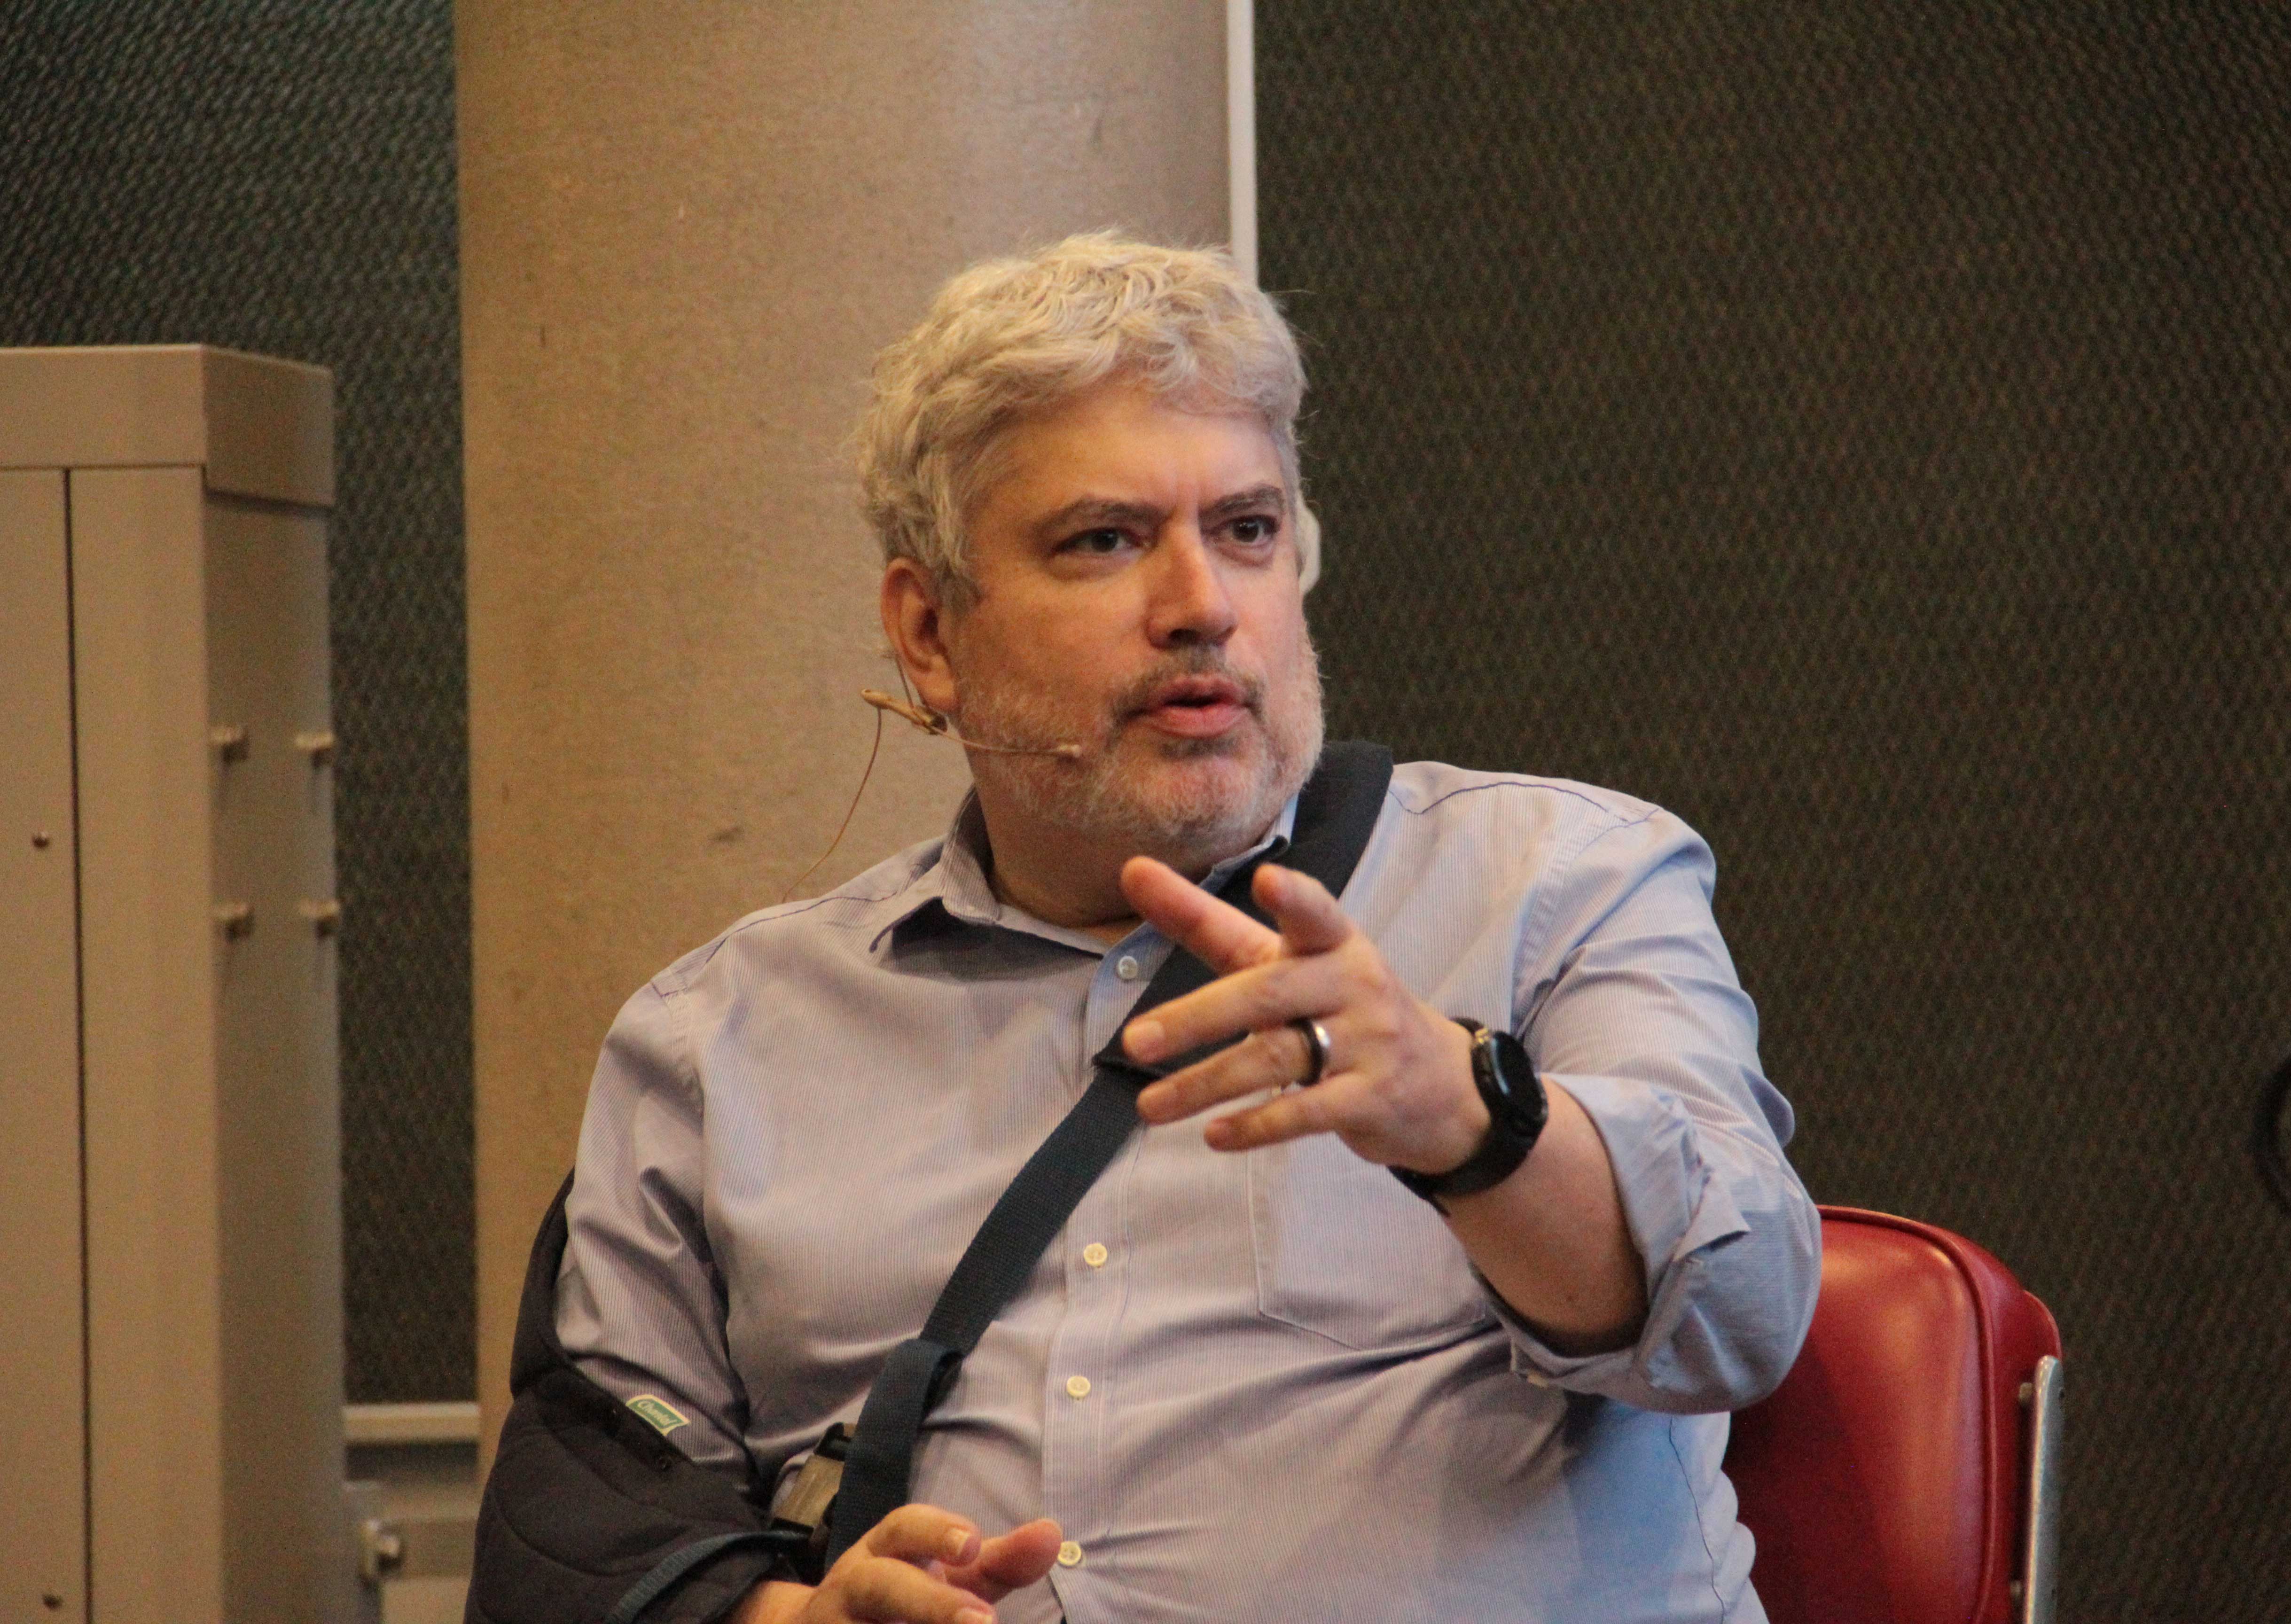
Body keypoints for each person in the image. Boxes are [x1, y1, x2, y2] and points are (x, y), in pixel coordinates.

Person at [534, 233, 1820, 1624]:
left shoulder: (1565, 881)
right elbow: (586, 1523)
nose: (1203, 605)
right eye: (1105, 541)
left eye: (1248, 530)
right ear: (929, 634)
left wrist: (1468, 1114)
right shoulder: (718, 1040)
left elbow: (1744, 1315)